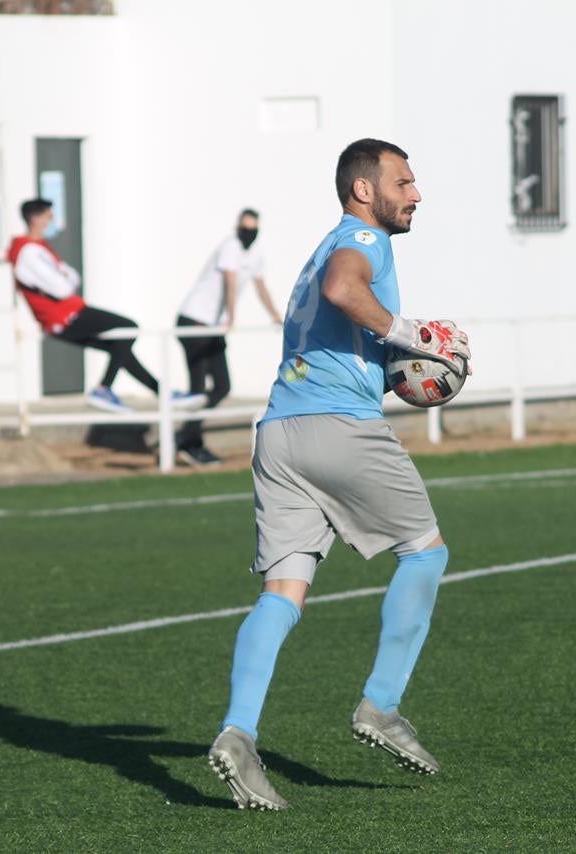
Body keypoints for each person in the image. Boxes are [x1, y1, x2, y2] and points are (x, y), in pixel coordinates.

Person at [205, 139, 472, 811]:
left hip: (278, 434)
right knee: (425, 553)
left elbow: (333, 316)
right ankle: (380, 705)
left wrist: (388, 360)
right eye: (403, 181)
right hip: (337, 428)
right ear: (363, 190)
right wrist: (409, 334)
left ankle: (238, 733)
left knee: (282, 594)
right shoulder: (361, 240)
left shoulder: (321, 245)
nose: (414, 193)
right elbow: (343, 289)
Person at [8, 198, 205, 413]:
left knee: (119, 347)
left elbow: (71, 278)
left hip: (68, 313)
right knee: (128, 328)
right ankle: (104, 388)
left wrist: (64, 278)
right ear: (35, 218)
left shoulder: (39, 248)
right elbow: (63, 288)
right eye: (48, 215)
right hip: (63, 317)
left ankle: (163, 394)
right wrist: (63, 278)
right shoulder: (27, 252)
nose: (52, 219)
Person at [174, 209, 284, 467]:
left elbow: (260, 285)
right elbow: (229, 283)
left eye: (253, 229)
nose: (248, 234)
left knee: (221, 385)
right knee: (200, 388)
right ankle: (189, 442)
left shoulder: (253, 252)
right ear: (237, 227)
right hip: (195, 321)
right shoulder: (230, 247)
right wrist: (231, 317)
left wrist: (275, 314)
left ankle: (187, 438)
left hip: (212, 326)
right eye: (245, 228)